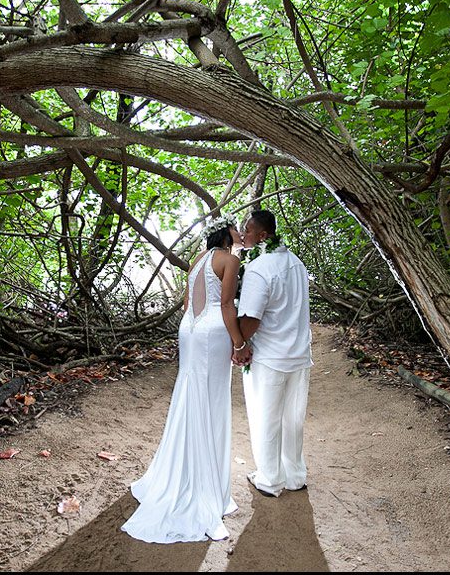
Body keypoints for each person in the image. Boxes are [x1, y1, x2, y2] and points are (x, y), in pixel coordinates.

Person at [121, 215, 246, 543]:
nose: (239, 232)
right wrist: (239, 343)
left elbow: (189, 304)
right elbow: (227, 306)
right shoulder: (230, 259)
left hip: (189, 329)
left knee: (191, 394)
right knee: (211, 401)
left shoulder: (197, 260)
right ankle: (205, 489)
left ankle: (185, 474)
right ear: (226, 231)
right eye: (236, 227)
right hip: (214, 332)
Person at [234, 210, 313, 498]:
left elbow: (251, 317)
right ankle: (295, 476)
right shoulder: (297, 263)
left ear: (263, 236)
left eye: (247, 230)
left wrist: (239, 345)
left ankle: (269, 479)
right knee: (293, 419)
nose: (243, 235)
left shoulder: (259, 268)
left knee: (265, 418)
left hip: (270, 357)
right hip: (299, 354)